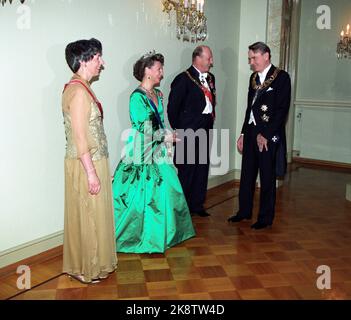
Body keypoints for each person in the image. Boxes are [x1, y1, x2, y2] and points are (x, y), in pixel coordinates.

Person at [112, 51, 195, 253]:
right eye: (159, 69)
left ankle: (165, 235)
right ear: (147, 71)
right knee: (139, 195)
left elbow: (161, 122)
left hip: (158, 150)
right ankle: (137, 238)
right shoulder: (136, 97)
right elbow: (143, 126)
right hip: (141, 150)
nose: (162, 72)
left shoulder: (158, 94)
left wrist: (168, 149)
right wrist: (164, 137)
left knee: (169, 189)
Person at [62, 38, 117, 284]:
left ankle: (88, 264)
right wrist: (92, 173)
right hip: (86, 164)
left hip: (94, 161)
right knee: (88, 216)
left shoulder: (82, 88)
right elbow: (80, 136)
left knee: (93, 215)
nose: (102, 63)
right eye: (98, 58)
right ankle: (85, 267)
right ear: (84, 60)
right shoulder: (77, 91)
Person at [228, 41, 291, 229]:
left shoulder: (281, 78)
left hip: (268, 134)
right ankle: (244, 212)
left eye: (254, 58)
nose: (251, 62)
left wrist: (265, 133)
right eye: (250, 59)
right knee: (247, 175)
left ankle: (265, 218)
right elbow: (250, 108)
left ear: (266, 56)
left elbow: (281, 110)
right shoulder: (253, 78)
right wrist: (242, 133)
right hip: (251, 132)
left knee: (267, 177)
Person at [167, 46, 216, 217]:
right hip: (187, 132)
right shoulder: (183, 79)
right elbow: (172, 109)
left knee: (201, 169)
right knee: (187, 170)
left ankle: (197, 204)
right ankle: (182, 209)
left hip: (205, 129)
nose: (212, 62)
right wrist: (179, 130)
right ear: (198, 58)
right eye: (209, 58)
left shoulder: (211, 79)